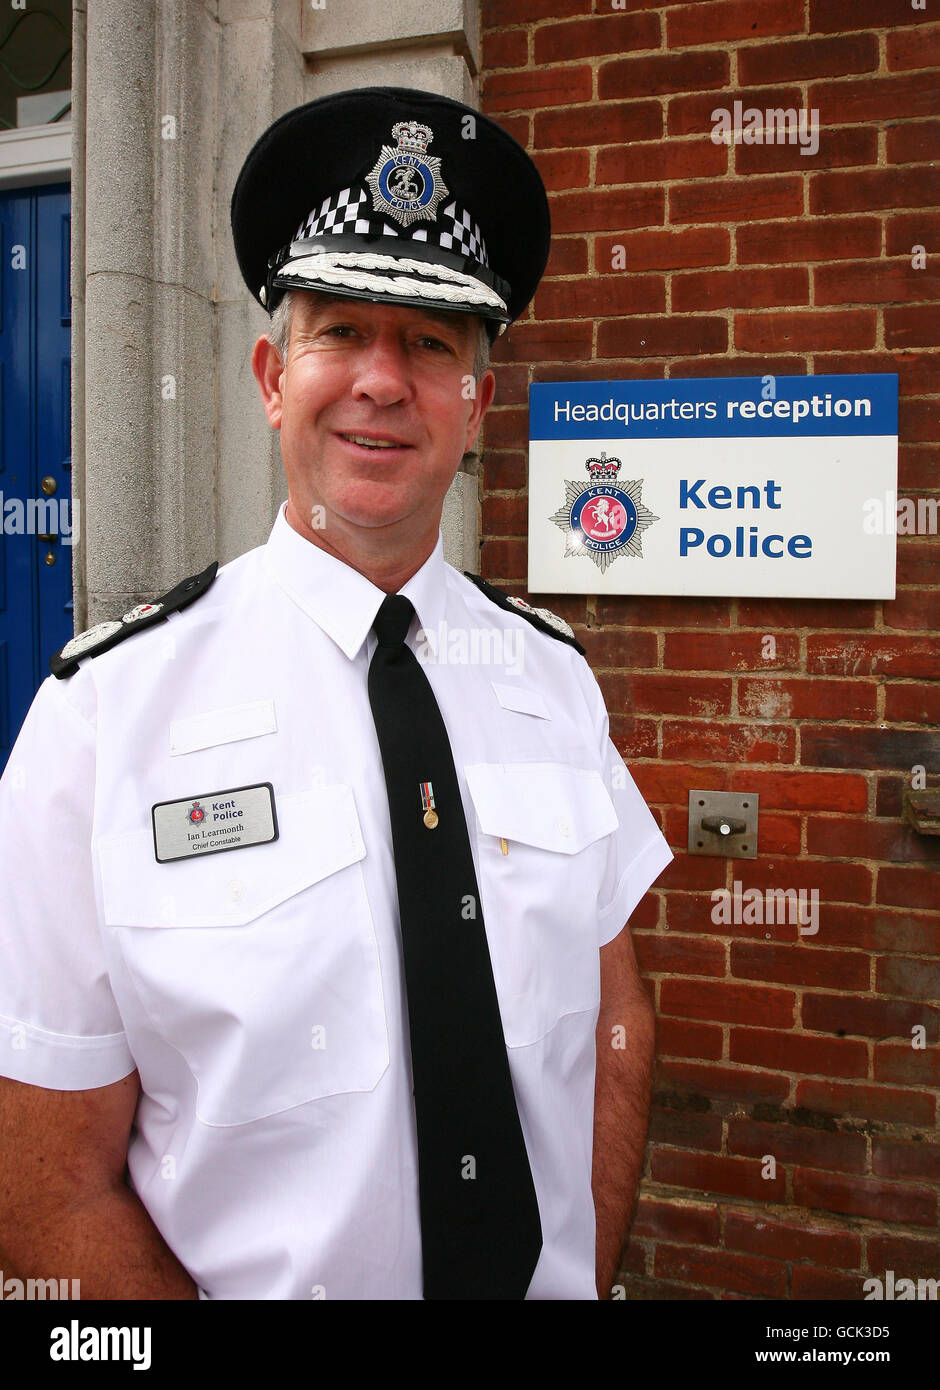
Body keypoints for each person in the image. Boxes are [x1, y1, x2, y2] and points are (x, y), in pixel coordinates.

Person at [0, 87, 671, 1300]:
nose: (380, 379)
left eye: (429, 342)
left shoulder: (554, 682)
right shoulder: (105, 716)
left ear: (477, 400)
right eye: (339, 331)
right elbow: (45, 1176)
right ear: (271, 375)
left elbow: (614, 1033)